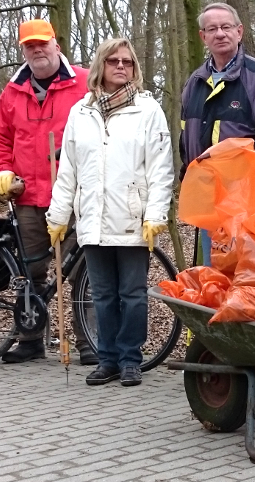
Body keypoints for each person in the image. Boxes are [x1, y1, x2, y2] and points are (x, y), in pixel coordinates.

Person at [46, 37, 174, 387]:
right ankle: (108, 359)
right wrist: (58, 217)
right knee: (101, 294)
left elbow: (161, 169)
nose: (121, 66)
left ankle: (131, 358)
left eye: (128, 62)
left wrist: (155, 215)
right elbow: (68, 170)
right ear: (101, 66)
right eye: (114, 61)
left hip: (132, 217)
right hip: (92, 219)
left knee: (132, 294)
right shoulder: (80, 112)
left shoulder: (148, 111)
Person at [0, 19, 94, 364]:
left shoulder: (84, 83)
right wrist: (2, 169)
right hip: (28, 197)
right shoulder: (12, 91)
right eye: (29, 46)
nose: (37, 51)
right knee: (29, 270)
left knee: (81, 272)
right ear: (23, 51)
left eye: (42, 44)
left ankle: (88, 343)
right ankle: (29, 337)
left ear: (56, 45)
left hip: (74, 197)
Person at [179, 2, 255, 264]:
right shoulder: (194, 83)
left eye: (226, 27)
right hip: (209, 202)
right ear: (203, 36)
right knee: (215, 274)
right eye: (212, 29)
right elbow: (186, 140)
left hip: (252, 203)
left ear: (239, 31)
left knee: (251, 279)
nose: (220, 34)